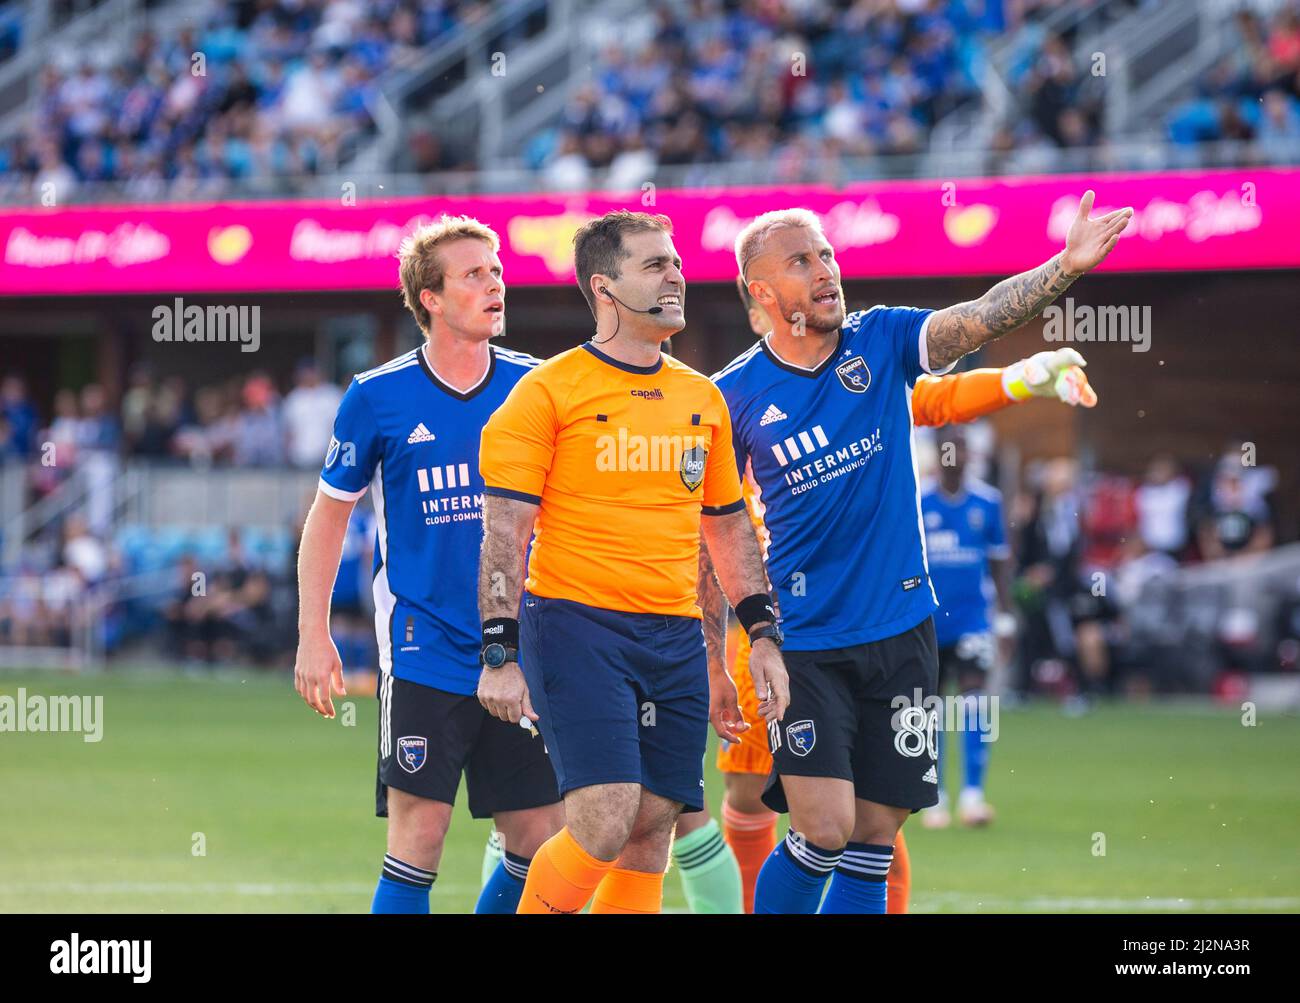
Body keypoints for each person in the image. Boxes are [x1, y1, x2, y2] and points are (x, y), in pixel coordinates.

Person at [704, 193, 1129, 913]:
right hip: (802, 642)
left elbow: (981, 315)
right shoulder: (732, 396)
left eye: (828, 253)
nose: (826, 269)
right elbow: (716, 530)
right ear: (762, 291)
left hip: (903, 635)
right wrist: (719, 656)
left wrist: (1064, 267)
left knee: (873, 839)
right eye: (802, 260)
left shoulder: (882, 340)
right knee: (822, 829)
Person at [478, 210, 789, 915]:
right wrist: (499, 649)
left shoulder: (700, 397)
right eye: (654, 265)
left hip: (674, 635)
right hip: (574, 626)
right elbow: (504, 533)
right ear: (605, 288)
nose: (675, 275)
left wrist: (759, 635)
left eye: (675, 262)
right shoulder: (548, 393)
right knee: (602, 819)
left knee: (651, 829)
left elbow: (729, 528)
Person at [293, 215, 563, 915]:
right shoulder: (375, 396)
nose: (496, 282)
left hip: (522, 648)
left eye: (497, 270)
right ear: (430, 298)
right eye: (475, 273)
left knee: (540, 837)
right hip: (421, 649)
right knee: (421, 835)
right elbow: (328, 516)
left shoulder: (537, 387)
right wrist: (313, 633)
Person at [919, 426, 1013, 830]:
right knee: (930, 709)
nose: (953, 459)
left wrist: (1006, 617)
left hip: (974, 619)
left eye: (960, 452)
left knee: (976, 700)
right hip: (928, 622)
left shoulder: (987, 503)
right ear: (937, 456)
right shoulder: (918, 501)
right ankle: (933, 796)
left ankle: (973, 795)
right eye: (947, 452)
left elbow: (999, 561)